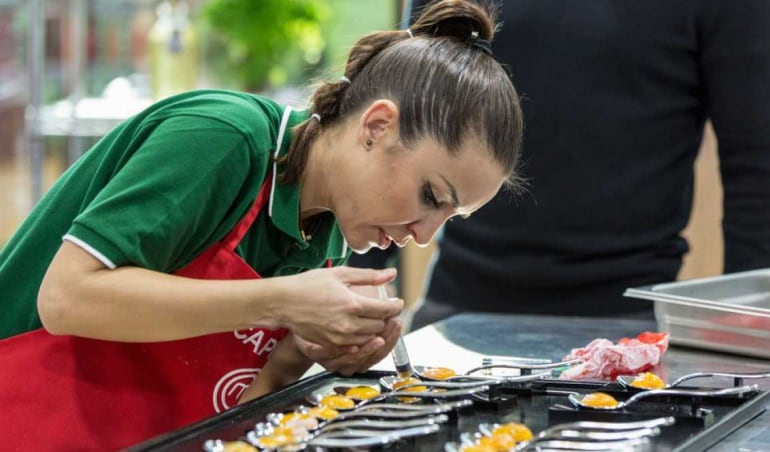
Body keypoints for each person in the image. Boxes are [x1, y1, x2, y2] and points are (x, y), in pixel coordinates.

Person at [0, 0, 524, 450]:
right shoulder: (221, 139)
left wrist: (304, 353)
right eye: (430, 195)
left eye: (448, 218)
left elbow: (233, 410)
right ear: (377, 126)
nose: (423, 235)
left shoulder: (328, 238)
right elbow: (66, 299)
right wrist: (283, 300)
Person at [392, 0, 770, 330]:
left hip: (625, 319)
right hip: (457, 307)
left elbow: (755, 163)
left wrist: (745, 329)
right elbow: (399, 113)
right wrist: (360, 275)